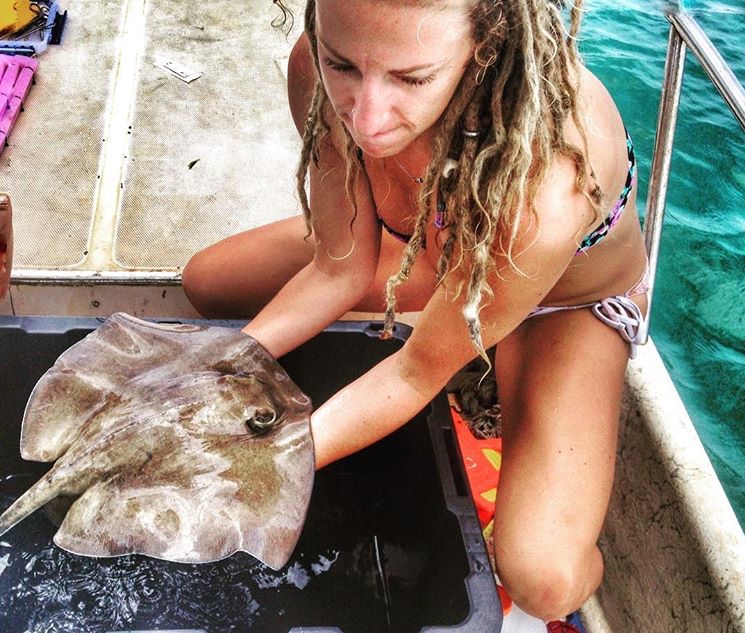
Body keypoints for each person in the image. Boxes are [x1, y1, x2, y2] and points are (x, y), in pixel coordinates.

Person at [182, 0, 649, 627]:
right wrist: (202, 369)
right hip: (430, 254)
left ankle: (493, 371)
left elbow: (412, 373)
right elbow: (338, 268)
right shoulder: (318, 73)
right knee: (208, 285)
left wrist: (256, 463)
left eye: (411, 78)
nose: (367, 119)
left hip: (559, 301)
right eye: (343, 64)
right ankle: (471, 359)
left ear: (482, 46)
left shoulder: (550, 176)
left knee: (545, 577)